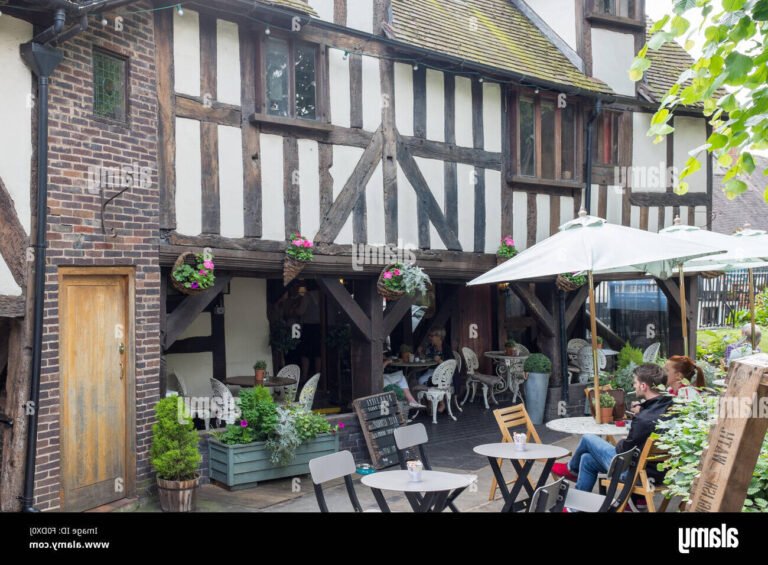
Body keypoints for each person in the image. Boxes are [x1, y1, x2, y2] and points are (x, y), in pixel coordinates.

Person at [552, 363, 673, 493]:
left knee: (588, 438)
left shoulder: (643, 419)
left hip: (635, 474)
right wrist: (642, 409)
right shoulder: (671, 407)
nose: (634, 386)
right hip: (659, 473)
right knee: (586, 459)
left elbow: (622, 450)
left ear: (643, 386)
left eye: (635, 383)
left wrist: (623, 440)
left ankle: (571, 469)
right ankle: (578, 501)